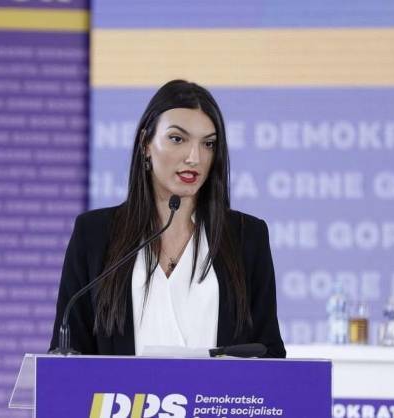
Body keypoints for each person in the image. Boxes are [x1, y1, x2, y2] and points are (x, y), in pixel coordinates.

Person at [49, 80, 286, 357]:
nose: (194, 157)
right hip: (122, 389)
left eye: (208, 144)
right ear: (145, 143)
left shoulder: (247, 237)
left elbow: (269, 352)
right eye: (177, 139)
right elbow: (67, 353)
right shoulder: (94, 234)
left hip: (219, 388)